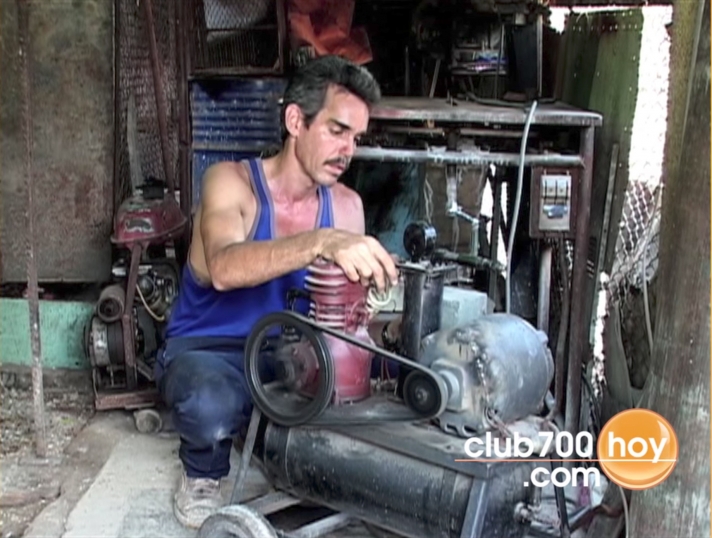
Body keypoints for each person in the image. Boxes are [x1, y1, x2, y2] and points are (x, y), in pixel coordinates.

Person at [154, 55, 401, 529]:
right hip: (213, 353)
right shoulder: (231, 183)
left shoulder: (346, 206)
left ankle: (275, 442)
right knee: (210, 404)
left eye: (356, 138)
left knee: (387, 380)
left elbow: (349, 318)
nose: (347, 150)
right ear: (295, 121)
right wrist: (320, 242)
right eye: (336, 130)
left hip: (294, 356)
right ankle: (203, 471)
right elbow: (224, 267)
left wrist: (379, 306)